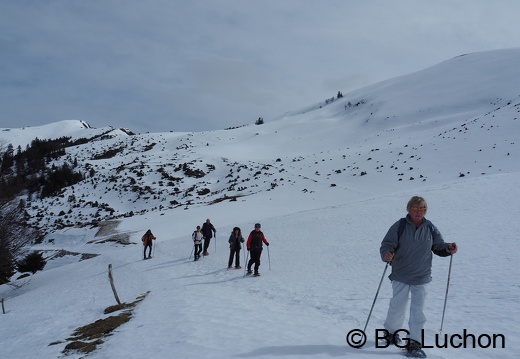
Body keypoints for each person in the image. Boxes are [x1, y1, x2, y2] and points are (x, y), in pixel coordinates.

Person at [380, 196, 457, 356]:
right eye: (415, 209)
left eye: (422, 209)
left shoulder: (430, 227)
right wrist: (387, 254)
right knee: (397, 307)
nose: (419, 212)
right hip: (401, 273)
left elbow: (438, 246)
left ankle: (414, 343)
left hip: (422, 276)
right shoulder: (400, 226)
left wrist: (448, 248)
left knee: (418, 311)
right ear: (409, 209)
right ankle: (391, 333)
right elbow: (387, 244)